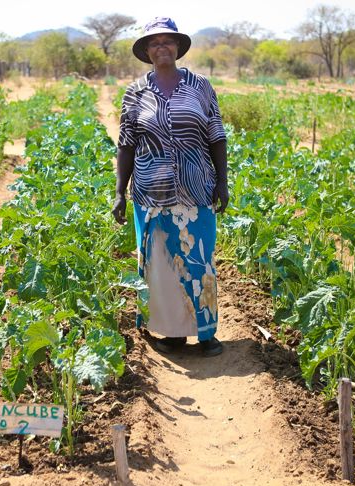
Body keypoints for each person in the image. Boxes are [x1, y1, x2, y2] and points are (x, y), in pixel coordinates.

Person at [112, 17, 228, 357]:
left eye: (167, 41)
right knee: (160, 265)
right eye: (154, 42)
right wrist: (120, 191)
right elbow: (126, 144)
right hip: (151, 192)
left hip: (196, 189)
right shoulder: (135, 92)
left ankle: (205, 335)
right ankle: (174, 334)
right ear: (147, 51)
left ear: (177, 47)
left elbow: (216, 135)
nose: (161, 47)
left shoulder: (200, 86)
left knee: (200, 261)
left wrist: (222, 180)